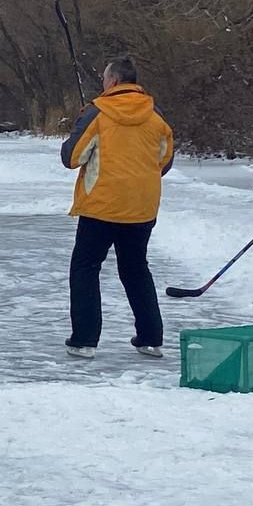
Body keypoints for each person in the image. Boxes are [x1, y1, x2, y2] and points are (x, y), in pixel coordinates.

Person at [61, 57, 173, 359]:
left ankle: (84, 339)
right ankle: (151, 338)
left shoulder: (96, 112)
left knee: (85, 268)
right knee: (136, 268)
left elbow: (72, 157)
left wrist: (78, 125)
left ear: (112, 81)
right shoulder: (155, 114)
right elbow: (164, 160)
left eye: (103, 77)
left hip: (101, 206)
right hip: (141, 207)